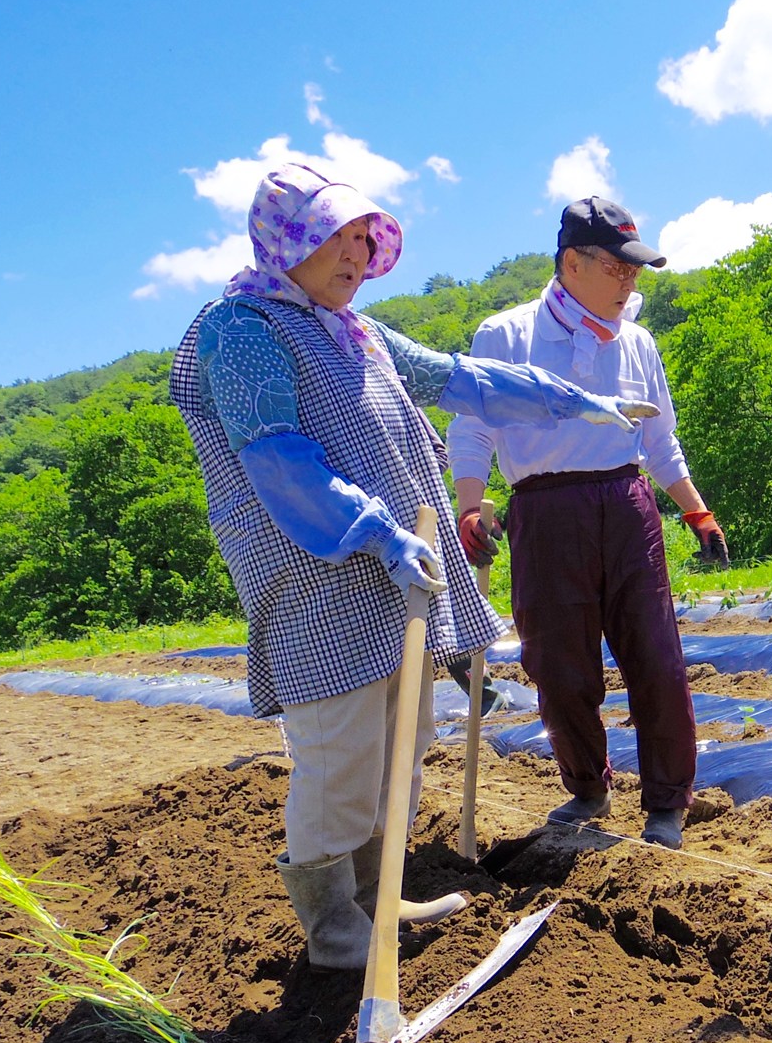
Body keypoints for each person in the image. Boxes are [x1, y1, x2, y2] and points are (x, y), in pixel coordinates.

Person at [169, 164, 656, 971]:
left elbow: (460, 378)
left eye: (366, 239)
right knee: (340, 752)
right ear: (288, 240)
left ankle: (376, 896)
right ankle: (334, 931)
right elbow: (280, 464)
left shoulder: (355, 330)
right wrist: (382, 535)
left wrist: (571, 399)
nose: (357, 256)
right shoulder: (243, 329)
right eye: (339, 238)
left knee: (405, 737)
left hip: (391, 575)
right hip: (319, 581)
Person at [447, 197, 724, 852]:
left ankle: (665, 805)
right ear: (572, 263)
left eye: (636, 271)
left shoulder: (637, 341)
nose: (631, 282)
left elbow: (660, 441)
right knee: (559, 667)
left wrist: (695, 508)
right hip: (543, 512)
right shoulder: (506, 336)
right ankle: (588, 788)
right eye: (618, 269)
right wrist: (468, 504)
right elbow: (472, 426)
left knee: (656, 658)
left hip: (626, 508)